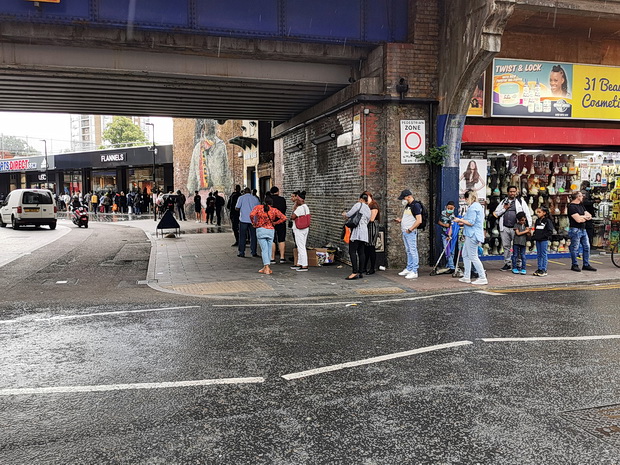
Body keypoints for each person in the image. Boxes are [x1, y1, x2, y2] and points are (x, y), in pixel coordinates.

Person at [453, 189, 488, 285]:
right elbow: (471, 220)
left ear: (469, 197)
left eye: (466, 198)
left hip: (472, 234)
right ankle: (466, 276)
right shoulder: (477, 206)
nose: (465, 200)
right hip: (471, 234)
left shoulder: (473, 207)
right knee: (465, 254)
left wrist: (458, 221)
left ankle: (482, 277)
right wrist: (462, 221)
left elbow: (471, 222)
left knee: (473, 256)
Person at [493, 186, 532, 271]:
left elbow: (527, 214)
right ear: (508, 192)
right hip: (505, 227)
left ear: (516, 192)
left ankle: (518, 263)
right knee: (506, 246)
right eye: (511, 191)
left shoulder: (521, 202)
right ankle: (507, 263)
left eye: (514, 191)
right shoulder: (503, 202)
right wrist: (504, 209)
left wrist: (528, 226)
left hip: (516, 228)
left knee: (517, 246)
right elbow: (496, 213)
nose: (512, 193)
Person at [250, 196, 287, 275]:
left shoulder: (258, 208)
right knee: (269, 248)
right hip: (270, 230)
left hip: (261, 230)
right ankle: (266, 266)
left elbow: (251, 215)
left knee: (264, 249)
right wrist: (275, 223)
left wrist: (254, 223)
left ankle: (266, 267)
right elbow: (284, 218)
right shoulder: (274, 210)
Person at [394, 189, 422, 279]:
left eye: (404, 198)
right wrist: (401, 221)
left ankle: (414, 270)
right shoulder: (408, 206)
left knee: (413, 251)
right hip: (406, 231)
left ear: (408, 196)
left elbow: (419, 220)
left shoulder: (416, 206)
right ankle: (409, 268)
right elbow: (410, 218)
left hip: (410, 232)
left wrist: (410, 229)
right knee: (408, 250)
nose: (403, 200)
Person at [342, 193, 371, 280]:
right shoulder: (368, 209)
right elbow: (368, 220)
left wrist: (344, 214)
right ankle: (360, 272)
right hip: (364, 232)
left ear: (361, 199)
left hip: (356, 232)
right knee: (361, 252)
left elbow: (349, 214)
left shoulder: (358, 205)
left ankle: (354, 272)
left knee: (352, 251)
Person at [568, 191, 597, 272]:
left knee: (587, 246)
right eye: (581, 196)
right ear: (577, 197)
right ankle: (574, 264)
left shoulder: (581, 205)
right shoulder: (571, 206)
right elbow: (578, 220)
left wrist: (583, 217)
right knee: (575, 247)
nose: (583, 197)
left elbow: (589, 215)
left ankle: (586, 264)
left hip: (583, 229)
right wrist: (584, 217)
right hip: (575, 229)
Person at [236, 187, 260, 258]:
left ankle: (242, 252)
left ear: (244, 192)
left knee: (242, 236)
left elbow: (237, 208)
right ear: (250, 192)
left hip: (243, 219)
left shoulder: (241, 198)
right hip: (253, 220)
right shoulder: (255, 198)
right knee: (253, 236)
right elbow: (259, 208)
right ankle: (254, 252)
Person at [290, 190, 310, 272]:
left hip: (299, 229)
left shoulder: (299, 208)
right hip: (305, 228)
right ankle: (299, 263)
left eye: (297, 200)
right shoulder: (306, 207)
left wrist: (294, 208)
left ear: (300, 200)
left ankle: (304, 265)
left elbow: (293, 217)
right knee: (300, 246)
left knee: (301, 247)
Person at [532, 206, 554, 277]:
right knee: (539, 254)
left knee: (543, 254)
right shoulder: (538, 221)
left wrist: (544, 236)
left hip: (544, 240)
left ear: (544, 213)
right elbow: (536, 229)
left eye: (539, 212)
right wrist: (535, 235)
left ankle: (544, 269)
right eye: (537, 212)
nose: (538, 214)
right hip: (538, 239)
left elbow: (550, 231)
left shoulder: (547, 221)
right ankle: (539, 268)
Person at [363, 191, 380, 275]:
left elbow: (372, 219)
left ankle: (372, 268)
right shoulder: (367, 205)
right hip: (368, 227)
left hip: (372, 227)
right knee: (366, 247)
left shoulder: (374, 205)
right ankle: (364, 267)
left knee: (371, 247)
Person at [269, 186, 287, 264]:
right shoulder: (282, 199)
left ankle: (272, 258)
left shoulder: (269, 199)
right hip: (281, 221)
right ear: (278, 191)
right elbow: (284, 210)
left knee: (272, 239)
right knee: (281, 239)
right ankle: (282, 257)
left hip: (271, 222)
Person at [437, 200, 456, 273]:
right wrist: (445, 225)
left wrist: (449, 235)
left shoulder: (453, 217)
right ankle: (450, 266)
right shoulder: (442, 214)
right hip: (444, 233)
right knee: (447, 250)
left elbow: (451, 227)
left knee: (451, 250)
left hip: (450, 234)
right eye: (449, 208)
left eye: (451, 209)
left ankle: (451, 266)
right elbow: (438, 222)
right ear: (446, 207)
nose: (450, 210)